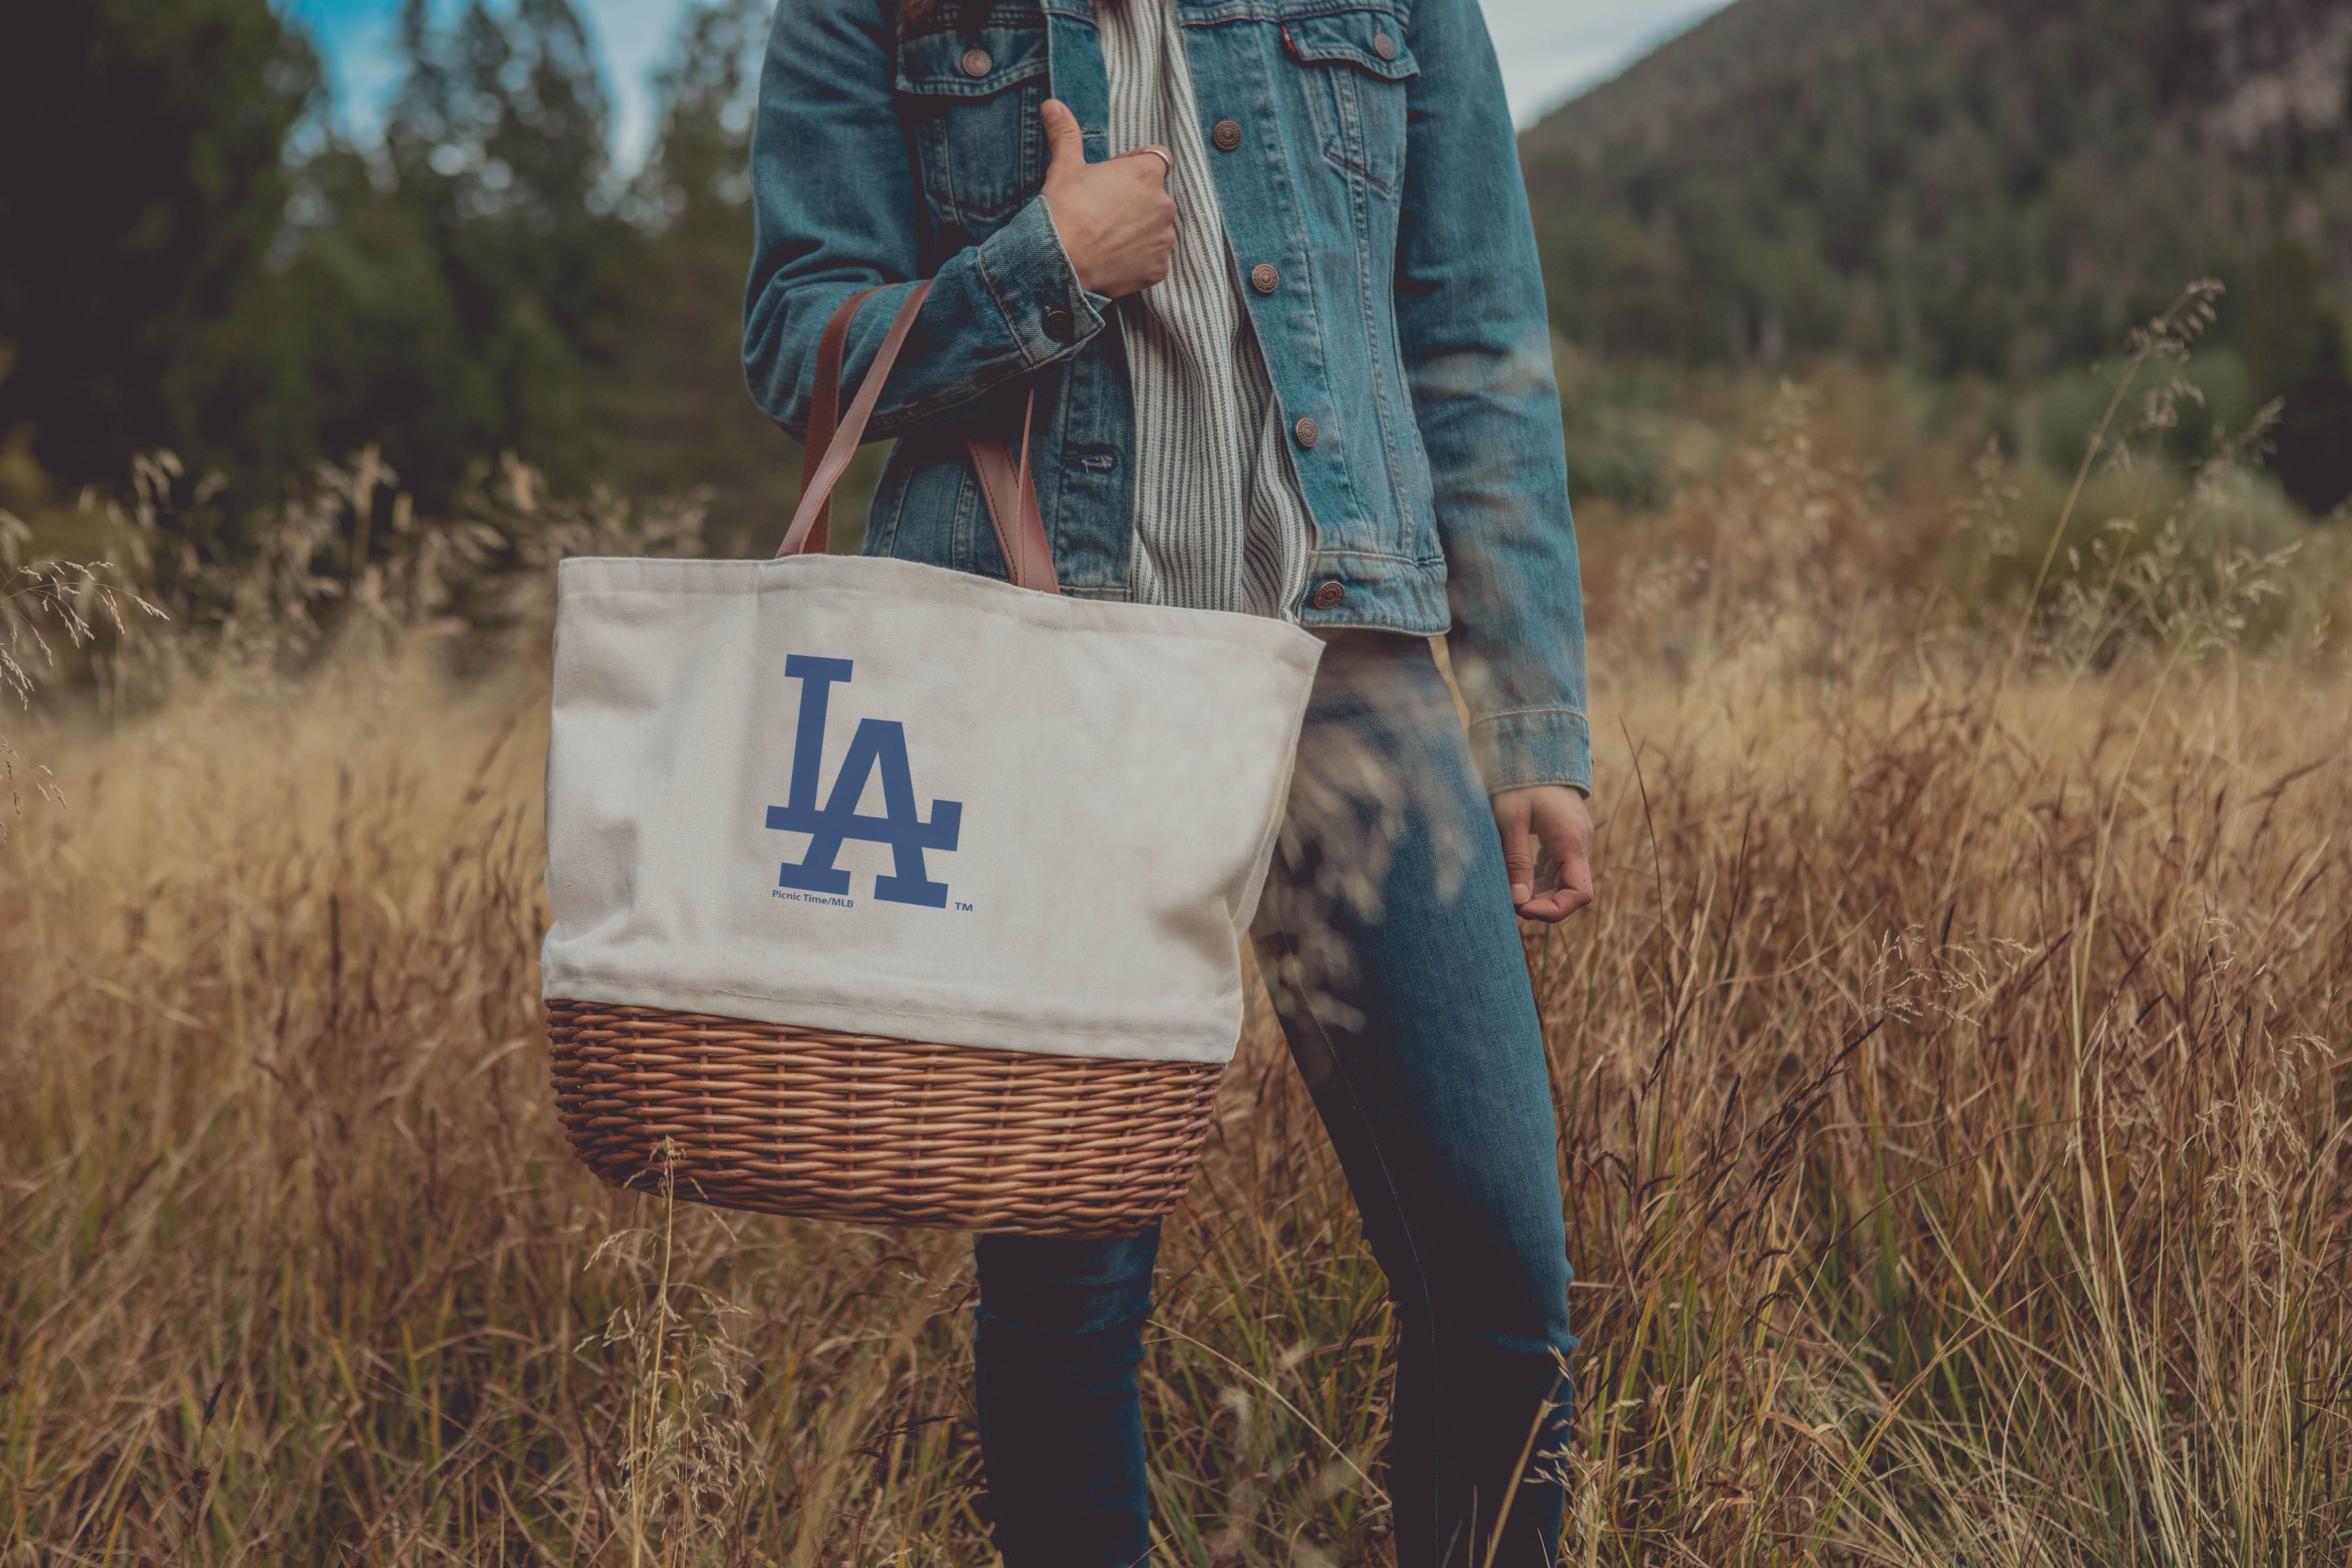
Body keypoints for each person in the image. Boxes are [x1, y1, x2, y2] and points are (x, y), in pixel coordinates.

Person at [744, 0, 1594, 1560]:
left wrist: (1533, 714)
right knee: (1070, 1304)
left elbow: (1473, 339)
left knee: (1500, 1282)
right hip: (1051, 686)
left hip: (1352, 676)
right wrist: (1038, 270)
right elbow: (798, 337)